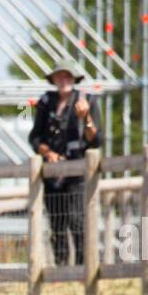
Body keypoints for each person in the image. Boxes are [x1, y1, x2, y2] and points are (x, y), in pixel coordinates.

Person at [28, 59, 102, 267]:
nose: (63, 80)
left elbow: (95, 140)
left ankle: (81, 267)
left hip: (77, 170)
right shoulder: (45, 102)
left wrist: (85, 117)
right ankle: (61, 269)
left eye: (67, 76)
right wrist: (48, 152)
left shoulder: (87, 100)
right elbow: (34, 138)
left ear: (74, 78)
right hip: (53, 173)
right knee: (56, 223)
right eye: (59, 76)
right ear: (53, 79)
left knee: (77, 220)